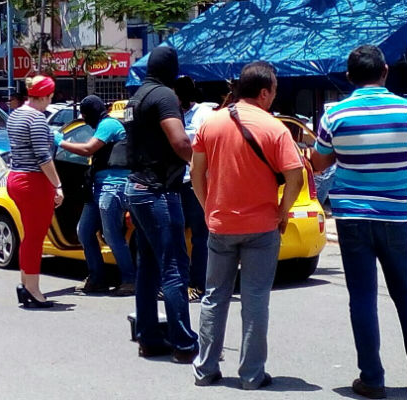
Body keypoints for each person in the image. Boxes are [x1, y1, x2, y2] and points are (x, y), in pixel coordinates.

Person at [191, 61, 303, 389]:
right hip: (262, 226)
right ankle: (252, 375)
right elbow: (295, 177)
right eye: (275, 91)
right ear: (265, 92)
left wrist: (208, 206)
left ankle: (205, 369)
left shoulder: (211, 123)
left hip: (221, 224)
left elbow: (197, 173)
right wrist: (283, 212)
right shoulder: (275, 128)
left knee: (214, 296)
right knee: (255, 299)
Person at [311, 45, 407, 400]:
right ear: (385, 70)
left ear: (349, 77)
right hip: (400, 215)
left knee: (363, 298)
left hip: (352, 217)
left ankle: (372, 378)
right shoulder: (406, 110)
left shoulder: (335, 114)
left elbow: (319, 165)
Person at [123, 46, 199, 364]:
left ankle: (149, 337)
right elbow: (179, 141)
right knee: (174, 268)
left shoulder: (136, 98)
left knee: (149, 268)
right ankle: (183, 343)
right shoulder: (165, 96)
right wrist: (200, 163)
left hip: (136, 188)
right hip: (158, 190)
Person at [55, 95, 136, 296]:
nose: (85, 118)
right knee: (84, 231)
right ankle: (97, 277)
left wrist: (60, 142)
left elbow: (87, 148)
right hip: (99, 187)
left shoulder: (108, 124)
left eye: (85, 115)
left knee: (111, 235)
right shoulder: (103, 125)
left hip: (113, 186)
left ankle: (129, 279)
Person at [6, 75, 64, 309]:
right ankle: (33, 289)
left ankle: (25, 282)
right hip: (34, 182)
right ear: (46, 96)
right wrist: (57, 185)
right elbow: (43, 157)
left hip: (16, 177)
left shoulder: (15, 114)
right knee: (35, 238)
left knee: (28, 236)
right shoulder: (37, 119)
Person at [173, 76, 210, 301]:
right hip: (175, 182)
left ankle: (198, 284)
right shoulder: (171, 114)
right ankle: (178, 281)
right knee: (174, 235)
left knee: (200, 237)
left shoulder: (203, 115)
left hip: (196, 182)